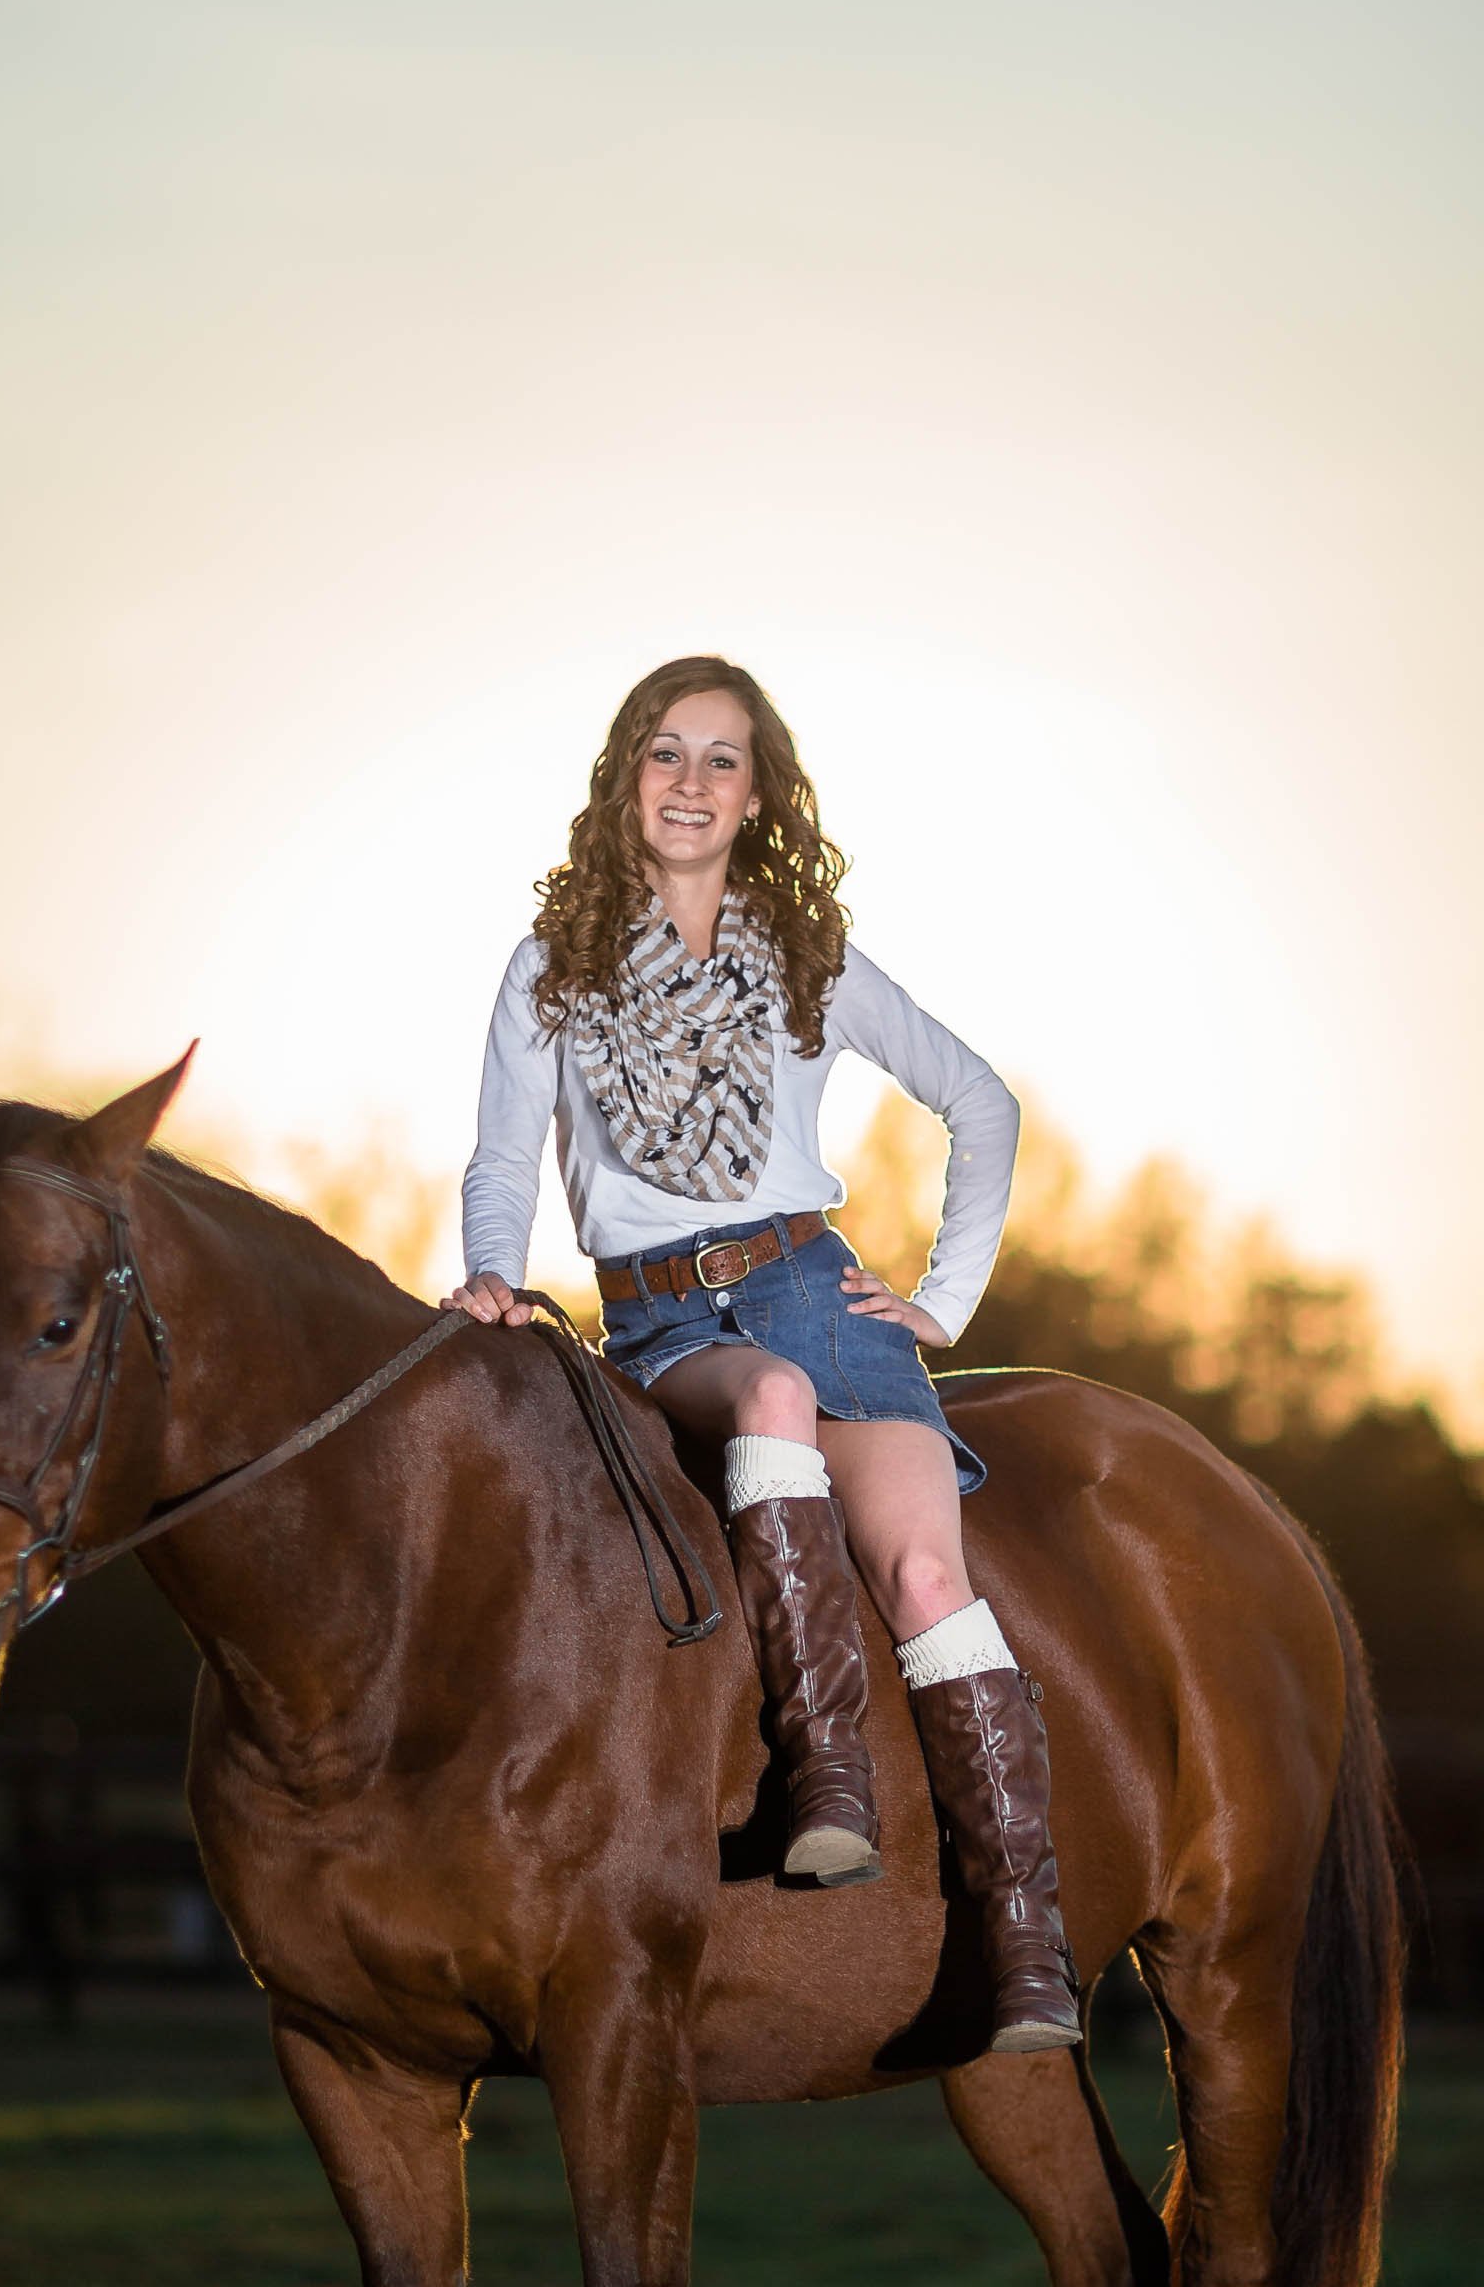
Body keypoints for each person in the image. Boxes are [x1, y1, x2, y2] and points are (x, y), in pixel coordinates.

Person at [445, 654, 1080, 2054]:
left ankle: (1026, 1946)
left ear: (757, 792)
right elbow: (503, 1156)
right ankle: (826, 1782)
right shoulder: (552, 966)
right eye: (663, 753)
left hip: (815, 1289)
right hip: (669, 1321)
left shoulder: (812, 956)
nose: (689, 781)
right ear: (626, 778)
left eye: (719, 758)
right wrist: (493, 1273)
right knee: (770, 1397)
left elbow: (983, 1102)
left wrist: (946, 1298)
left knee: (926, 1570)